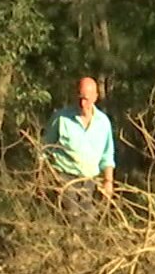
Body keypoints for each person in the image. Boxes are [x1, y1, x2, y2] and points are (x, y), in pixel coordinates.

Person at [42, 76, 115, 215]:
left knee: (88, 223)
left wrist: (108, 182)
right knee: (71, 218)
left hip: (90, 182)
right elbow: (45, 148)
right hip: (65, 179)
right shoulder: (60, 118)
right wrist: (46, 176)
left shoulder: (103, 123)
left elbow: (107, 155)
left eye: (86, 99)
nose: (82, 103)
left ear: (95, 97)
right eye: (80, 98)